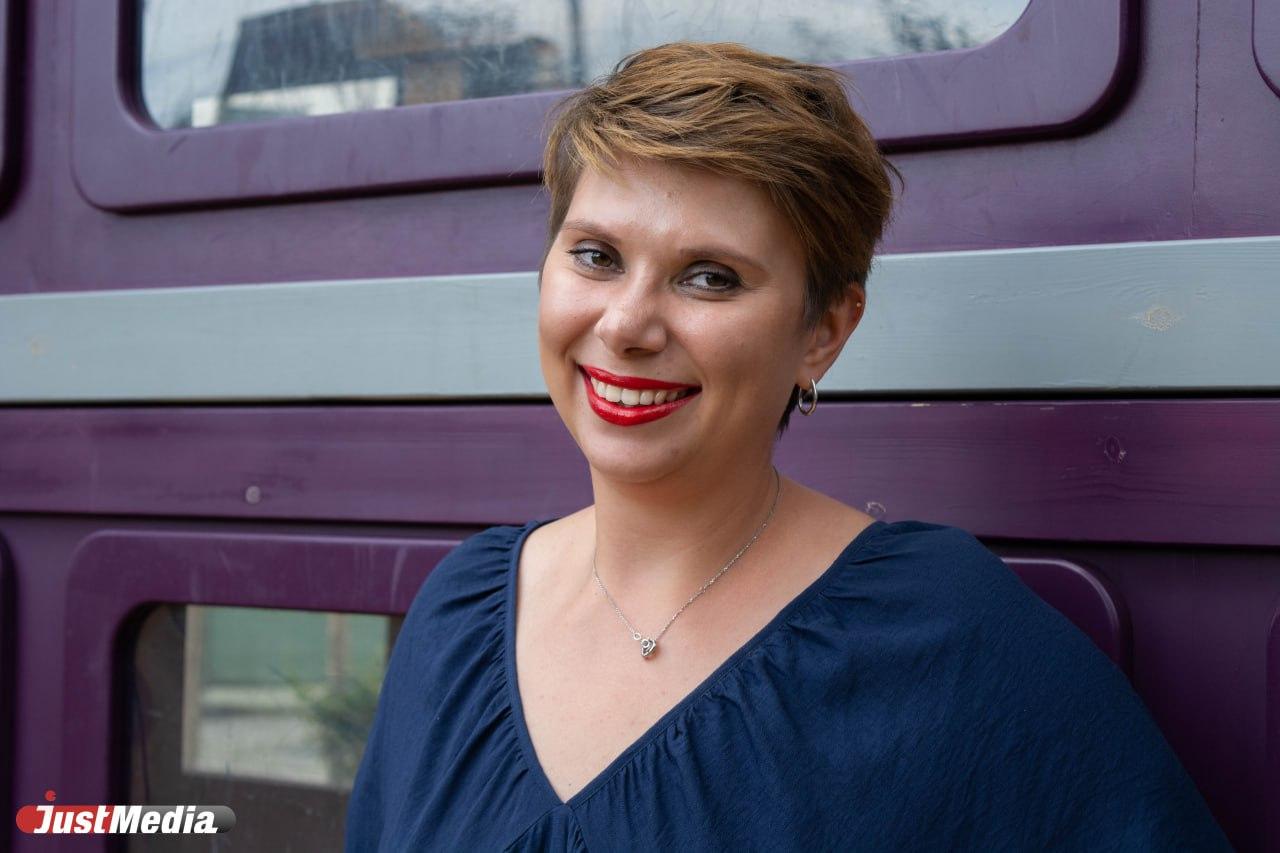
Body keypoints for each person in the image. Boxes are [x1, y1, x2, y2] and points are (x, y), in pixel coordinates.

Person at [346, 41, 1232, 851]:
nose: (625, 324)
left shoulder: (942, 634)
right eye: (597, 256)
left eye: (709, 277)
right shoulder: (458, 617)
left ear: (824, 332)